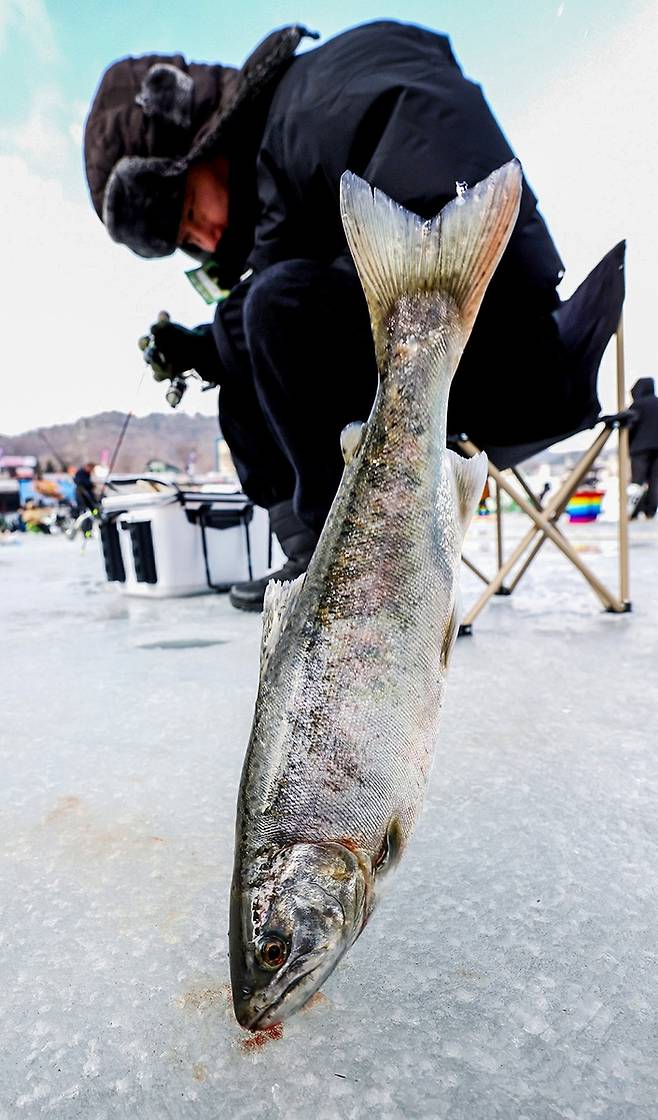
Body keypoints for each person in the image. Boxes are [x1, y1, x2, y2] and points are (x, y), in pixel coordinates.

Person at [84, 20, 567, 610]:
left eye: (191, 208)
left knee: (270, 306)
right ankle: (309, 549)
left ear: (204, 145)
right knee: (246, 319)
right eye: (187, 238)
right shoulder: (276, 160)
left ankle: (348, 562)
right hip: (438, 353)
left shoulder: (308, 116)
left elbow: (449, 220)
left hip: (505, 349)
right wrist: (203, 348)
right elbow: (313, 299)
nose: (205, 236)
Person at [628, 378, 658, 519]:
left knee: (637, 481)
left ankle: (632, 511)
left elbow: (629, 426)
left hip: (639, 448)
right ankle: (650, 512)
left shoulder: (638, 405)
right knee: (655, 481)